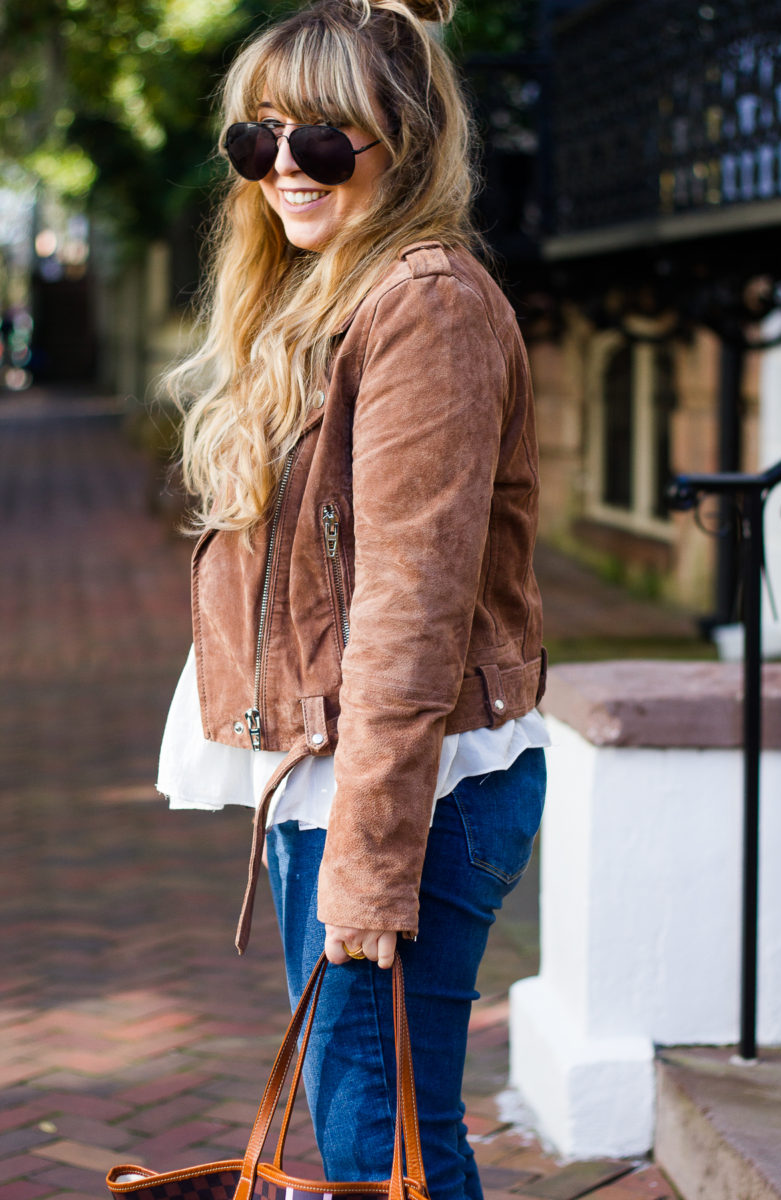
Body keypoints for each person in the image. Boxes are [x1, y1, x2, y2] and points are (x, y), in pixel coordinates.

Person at [156, 1, 548, 1198]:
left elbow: (409, 612)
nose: (282, 166)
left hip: (401, 793)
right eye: (256, 137)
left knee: (384, 1140)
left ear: (406, 141)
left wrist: (371, 858)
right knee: (379, 1131)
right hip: (340, 776)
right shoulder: (326, 297)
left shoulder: (423, 303)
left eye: (322, 138)